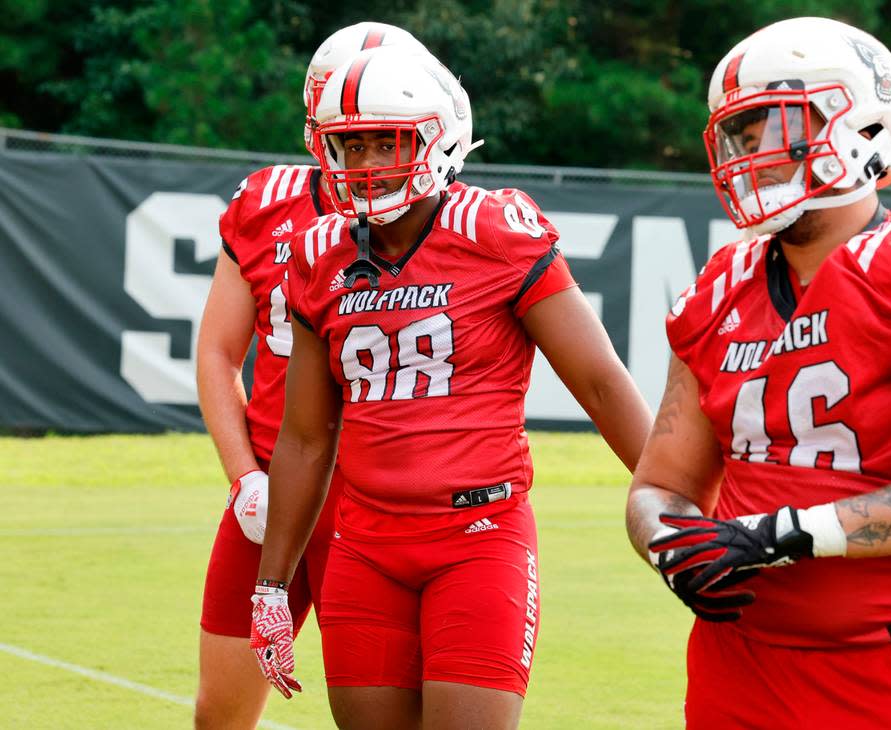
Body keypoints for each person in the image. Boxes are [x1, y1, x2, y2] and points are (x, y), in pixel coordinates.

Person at [625, 16, 891, 729]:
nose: (750, 154)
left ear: (861, 128)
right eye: (741, 136)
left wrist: (785, 534)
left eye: (769, 127)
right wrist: (672, 546)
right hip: (739, 666)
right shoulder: (717, 291)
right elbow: (660, 485)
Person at [249, 45, 652, 730]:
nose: (369, 162)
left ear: (441, 138)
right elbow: (306, 437)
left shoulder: (494, 230)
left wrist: (685, 504)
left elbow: (600, 381)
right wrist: (271, 586)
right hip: (365, 544)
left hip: (479, 535)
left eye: (388, 140)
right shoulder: (319, 255)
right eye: (352, 145)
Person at [194, 22, 428, 729]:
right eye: (350, 129)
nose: (368, 147)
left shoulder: (444, 222)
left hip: (383, 504)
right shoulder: (268, 204)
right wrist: (246, 479)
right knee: (219, 713)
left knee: (383, 717)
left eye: (387, 132)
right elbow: (215, 353)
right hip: (275, 489)